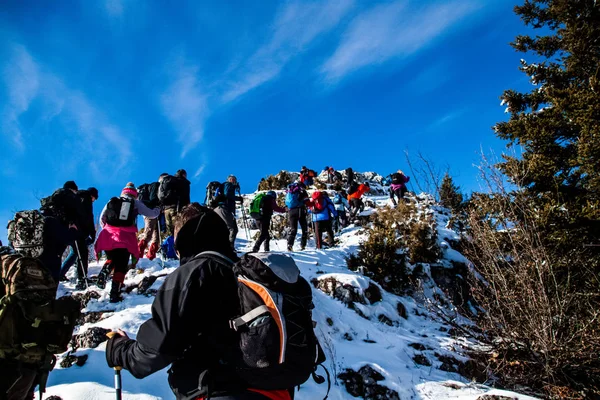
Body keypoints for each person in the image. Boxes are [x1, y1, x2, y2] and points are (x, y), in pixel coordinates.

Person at [105, 203, 300, 399]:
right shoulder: (251, 275)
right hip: (278, 392)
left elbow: (150, 354)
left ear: (181, 237)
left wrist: (119, 349)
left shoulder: (194, 273)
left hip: (220, 392)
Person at [95, 183, 160, 302]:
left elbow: (102, 219)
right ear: (135, 194)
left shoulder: (113, 200)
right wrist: (157, 209)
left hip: (107, 236)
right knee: (121, 264)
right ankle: (115, 293)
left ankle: (106, 269)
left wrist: (109, 229)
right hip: (125, 237)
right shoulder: (135, 202)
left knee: (113, 258)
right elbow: (151, 214)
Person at [37, 181, 82, 281]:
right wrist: (74, 226)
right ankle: (54, 280)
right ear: (74, 189)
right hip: (58, 228)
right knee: (58, 256)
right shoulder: (71, 196)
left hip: (43, 228)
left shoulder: (53, 197)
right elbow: (75, 212)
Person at [59, 187, 99, 289]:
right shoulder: (86, 199)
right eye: (95, 199)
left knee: (74, 252)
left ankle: (61, 274)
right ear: (92, 196)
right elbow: (88, 217)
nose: (94, 201)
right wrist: (92, 233)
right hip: (79, 231)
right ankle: (82, 279)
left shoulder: (75, 197)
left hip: (70, 229)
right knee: (83, 253)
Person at [138, 175, 166, 260]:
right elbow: (153, 199)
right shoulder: (156, 185)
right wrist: (158, 206)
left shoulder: (155, 186)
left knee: (156, 236)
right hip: (151, 212)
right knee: (148, 233)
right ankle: (138, 254)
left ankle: (151, 256)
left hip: (153, 212)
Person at [213, 175, 243, 250]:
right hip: (224, 208)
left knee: (226, 229)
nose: (233, 181)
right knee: (233, 229)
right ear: (228, 180)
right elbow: (228, 195)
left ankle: (223, 247)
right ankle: (229, 249)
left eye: (234, 180)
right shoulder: (228, 184)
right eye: (231, 179)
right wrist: (238, 198)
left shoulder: (224, 186)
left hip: (219, 209)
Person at [159, 170, 190, 236]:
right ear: (183, 174)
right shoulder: (182, 181)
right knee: (179, 229)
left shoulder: (170, 180)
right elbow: (185, 197)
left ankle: (172, 245)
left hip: (166, 210)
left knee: (170, 232)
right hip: (176, 209)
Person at [285, 181, 309, 251]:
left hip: (291, 211)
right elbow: (306, 201)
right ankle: (303, 246)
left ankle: (290, 245)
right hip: (300, 210)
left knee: (293, 229)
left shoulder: (289, 191)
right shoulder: (302, 191)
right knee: (304, 229)